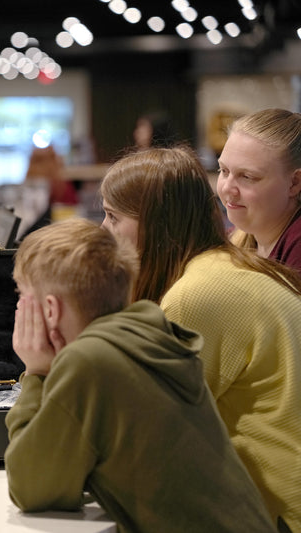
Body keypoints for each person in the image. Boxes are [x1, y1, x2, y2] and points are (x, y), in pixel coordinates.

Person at [4, 217, 273, 533]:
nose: (19, 308)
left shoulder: (90, 361)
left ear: (50, 310)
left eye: (22, 295)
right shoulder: (148, 333)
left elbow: (30, 486)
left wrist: (35, 373)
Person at [99, 146, 301, 533]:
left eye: (113, 216)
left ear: (156, 223)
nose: (104, 232)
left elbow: (140, 441)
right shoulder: (223, 265)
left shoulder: (197, 294)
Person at [217, 108, 301, 272]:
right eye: (224, 171)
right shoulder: (234, 236)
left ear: (294, 183)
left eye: (247, 177)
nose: (228, 188)